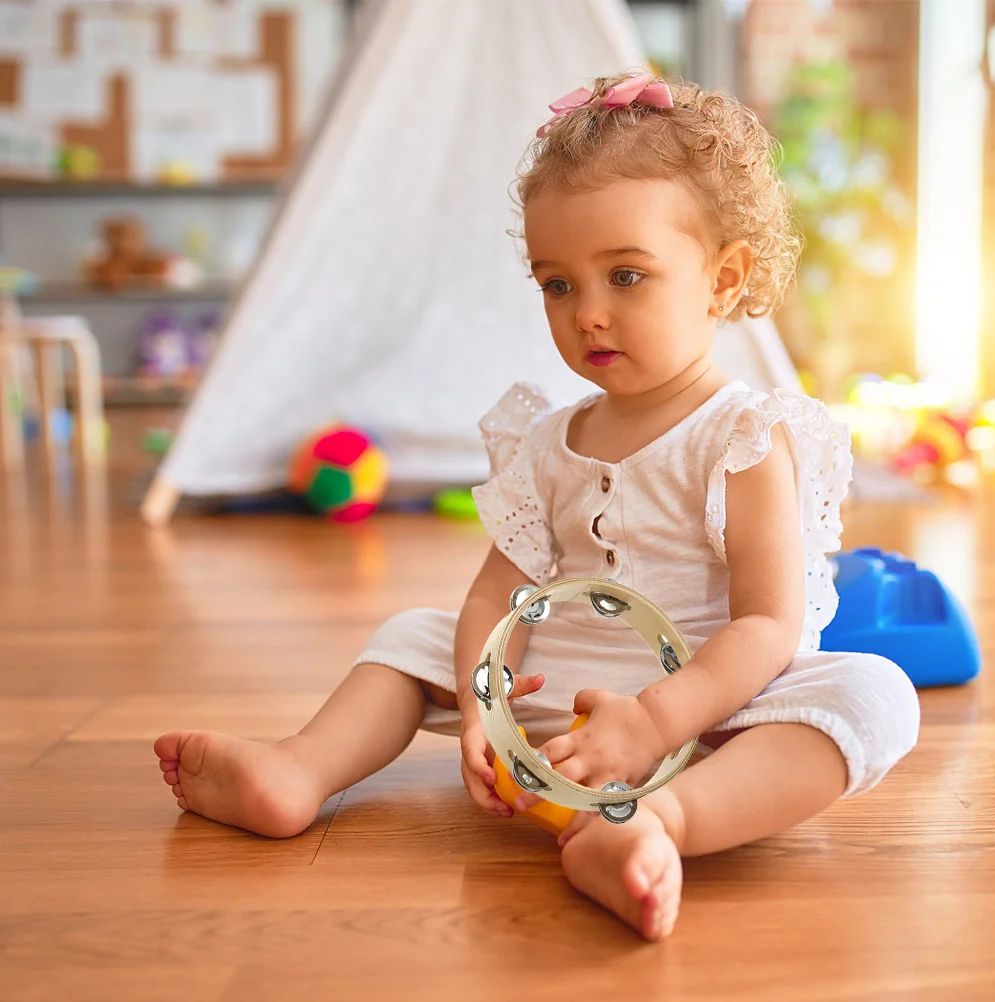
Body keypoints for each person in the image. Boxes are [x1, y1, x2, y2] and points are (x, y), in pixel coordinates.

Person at [154, 72, 920, 941]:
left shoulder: (745, 436)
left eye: (625, 276)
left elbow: (769, 625)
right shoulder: (548, 439)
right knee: (412, 634)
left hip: (708, 723)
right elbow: (496, 594)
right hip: (553, 708)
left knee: (872, 691)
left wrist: (657, 720)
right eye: (557, 285)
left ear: (722, 277)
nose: (587, 314)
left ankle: (657, 822)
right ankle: (298, 770)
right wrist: (484, 701)